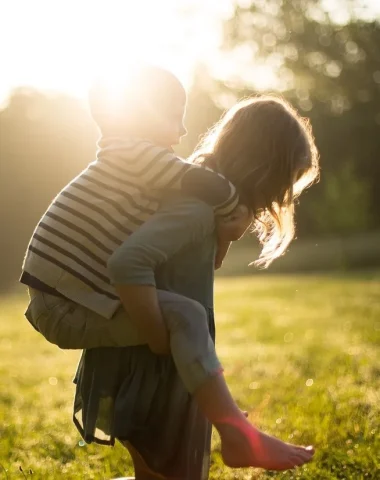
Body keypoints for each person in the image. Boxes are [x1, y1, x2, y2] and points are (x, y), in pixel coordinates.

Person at [73, 95, 320, 478]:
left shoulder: (205, 205)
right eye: (283, 182)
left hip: (169, 360)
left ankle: (237, 435)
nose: (281, 196)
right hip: (153, 363)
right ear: (260, 169)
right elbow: (128, 263)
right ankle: (239, 436)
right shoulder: (196, 209)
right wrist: (157, 337)